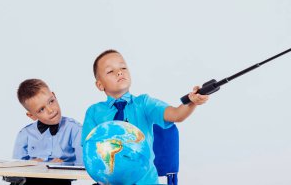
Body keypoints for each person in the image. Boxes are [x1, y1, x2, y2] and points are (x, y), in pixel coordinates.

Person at [82, 50, 209, 184]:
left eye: (123, 67)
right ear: (100, 85)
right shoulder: (93, 112)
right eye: (110, 71)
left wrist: (193, 102)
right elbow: (89, 151)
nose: (119, 72)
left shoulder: (144, 103)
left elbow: (176, 114)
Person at [12, 79, 83, 185]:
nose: (51, 110)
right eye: (41, 109)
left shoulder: (75, 129)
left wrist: (59, 166)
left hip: (59, 181)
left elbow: (82, 166)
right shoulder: (25, 134)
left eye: (51, 101)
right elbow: (15, 170)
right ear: (31, 115)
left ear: (54, 95)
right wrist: (34, 165)